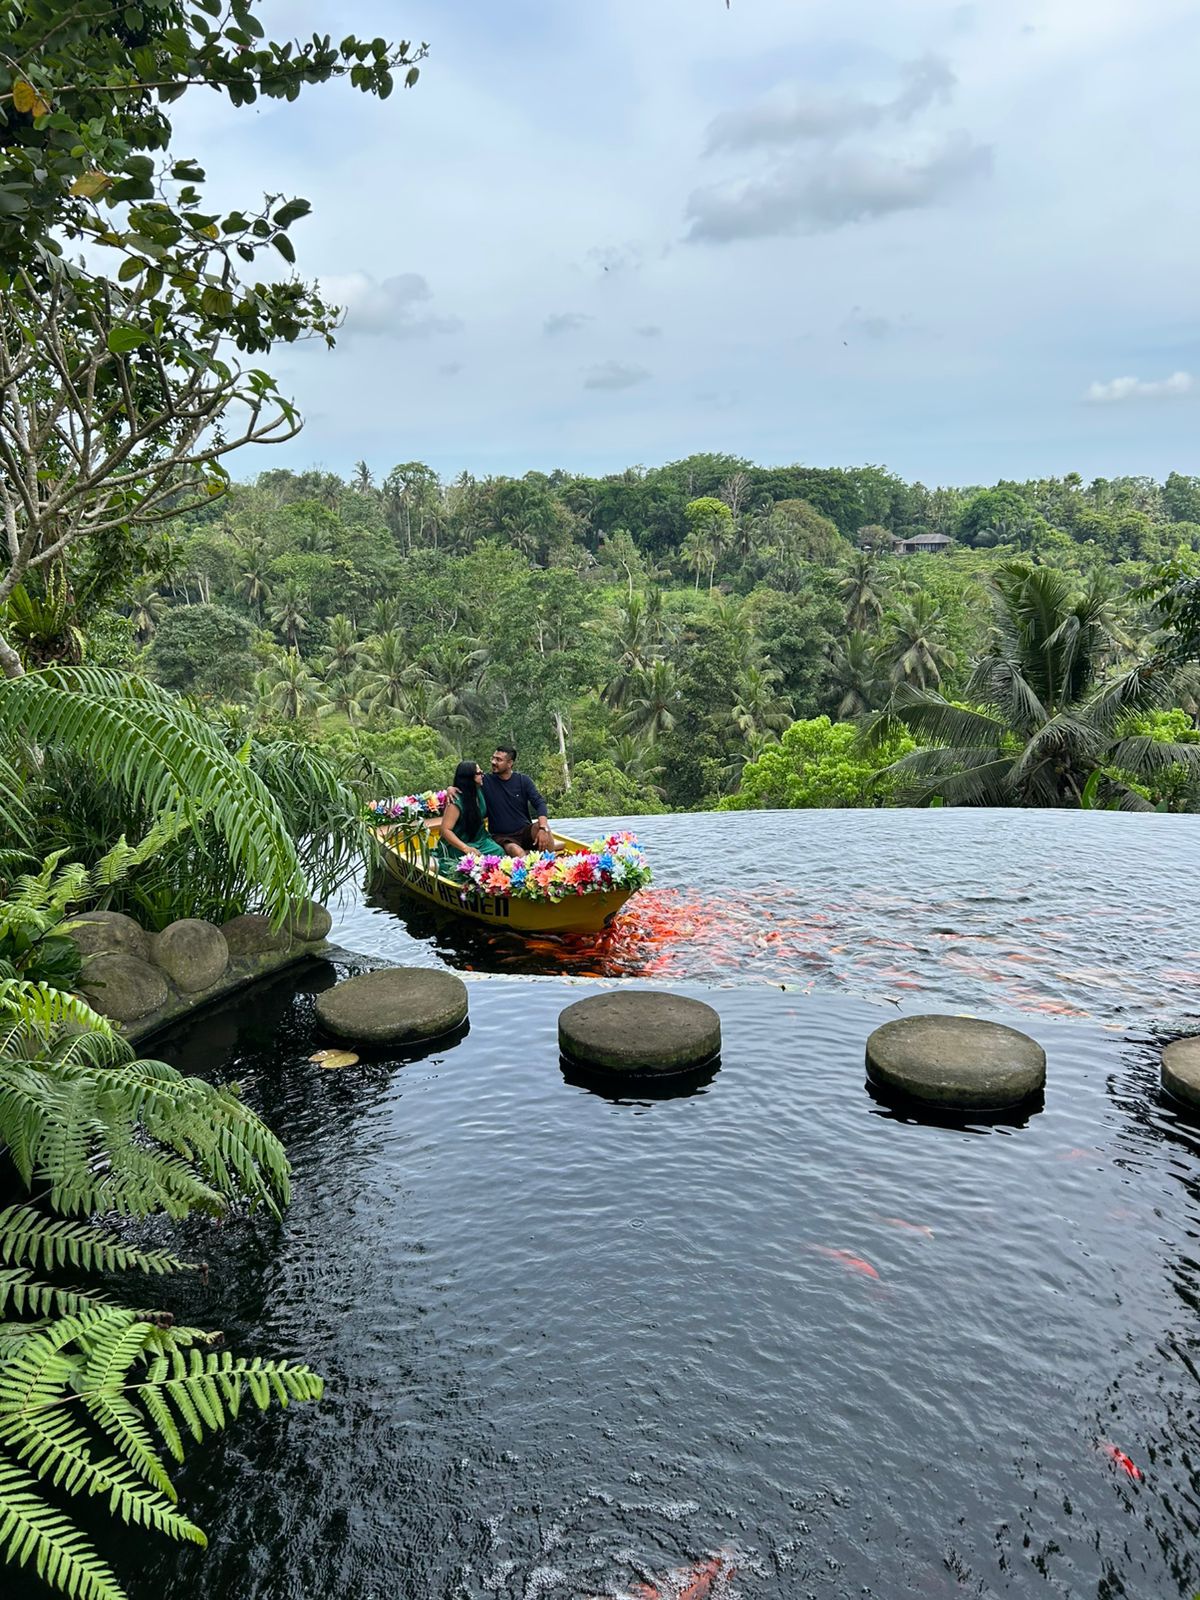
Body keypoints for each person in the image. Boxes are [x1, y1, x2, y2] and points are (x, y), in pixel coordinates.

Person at [481, 745, 554, 857]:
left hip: (524, 831)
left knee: (544, 828)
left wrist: (543, 828)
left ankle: (550, 863)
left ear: (510, 763)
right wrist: (450, 789)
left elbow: (539, 803)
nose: (494, 762)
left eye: (499, 760)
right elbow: (463, 783)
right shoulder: (485, 781)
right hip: (502, 836)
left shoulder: (523, 780)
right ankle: (528, 869)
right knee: (516, 851)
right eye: (493, 758)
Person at [434, 760, 503, 874]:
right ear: (468, 778)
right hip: (459, 844)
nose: (482, 775)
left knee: (498, 852)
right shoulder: (456, 800)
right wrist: (466, 848)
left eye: (481, 772)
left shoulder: (479, 790)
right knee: (468, 863)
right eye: (478, 773)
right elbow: (445, 830)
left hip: (479, 839)